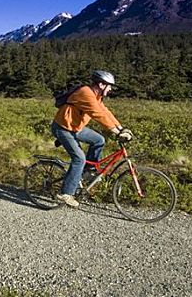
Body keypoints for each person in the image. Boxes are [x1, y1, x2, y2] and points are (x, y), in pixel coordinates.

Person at [51, 70, 133, 207]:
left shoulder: (97, 96)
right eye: (110, 86)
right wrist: (116, 132)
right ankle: (65, 193)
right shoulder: (85, 93)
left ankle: (89, 171)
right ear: (101, 84)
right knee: (79, 159)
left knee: (99, 140)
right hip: (63, 128)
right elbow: (97, 115)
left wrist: (120, 128)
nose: (111, 89)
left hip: (76, 128)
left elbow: (105, 112)